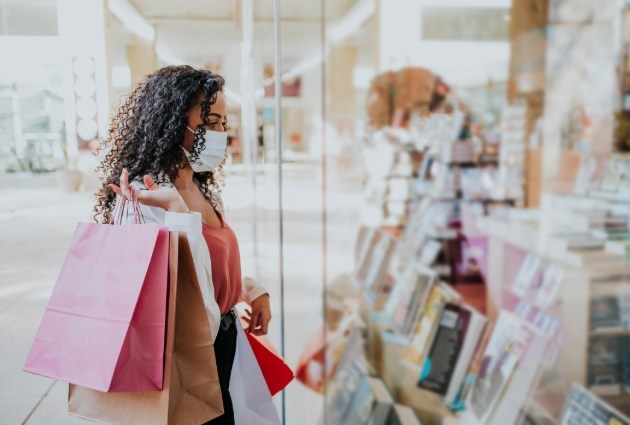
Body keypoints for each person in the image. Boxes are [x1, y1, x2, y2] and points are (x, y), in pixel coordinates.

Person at [93, 65, 272, 425]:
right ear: (171, 124)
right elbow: (185, 310)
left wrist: (251, 290)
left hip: (223, 345)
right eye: (210, 122)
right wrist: (175, 210)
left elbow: (209, 269)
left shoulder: (207, 193)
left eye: (223, 122)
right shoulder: (142, 202)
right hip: (184, 360)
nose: (221, 133)